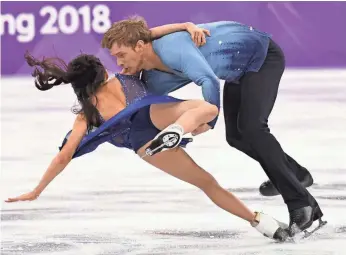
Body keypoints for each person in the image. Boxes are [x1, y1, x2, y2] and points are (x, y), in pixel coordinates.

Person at [4, 50, 290, 242]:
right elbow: (153, 47)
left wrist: (36, 191)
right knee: (208, 111)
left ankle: (264, 225)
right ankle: (179, 131)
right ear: (101, 70)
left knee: (207, 182)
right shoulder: (124, 77)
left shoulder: (86, 114)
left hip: (144, 144)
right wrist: (189, 29)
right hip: (155, 114)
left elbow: (64, 155)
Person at [101, 16, 325, 237]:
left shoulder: (172, 47)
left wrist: (208, 119)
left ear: (140, 46)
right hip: (238, 71)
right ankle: (295, 174)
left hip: (262, 57)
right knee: (236, 137)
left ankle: (301, 205)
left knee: (252, 129)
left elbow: (208, 80)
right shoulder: (150, 76)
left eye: (122, 55)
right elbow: (138, 104)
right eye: (115, 58)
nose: (119, 63)